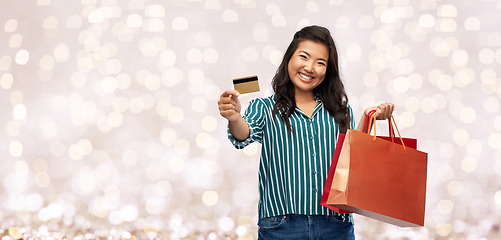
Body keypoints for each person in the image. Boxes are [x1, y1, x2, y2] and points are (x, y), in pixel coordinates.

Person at [218, 25, 394, 240]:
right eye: (304, 57)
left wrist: (369, 118)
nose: (310, 68)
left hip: (335, 224)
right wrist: (235, 118)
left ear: (327, 71)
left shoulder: (340, 111)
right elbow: (243, 134)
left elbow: (353, 161)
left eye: (320, 63)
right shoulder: (265, 107)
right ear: (289, 59)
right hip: (282, 225)